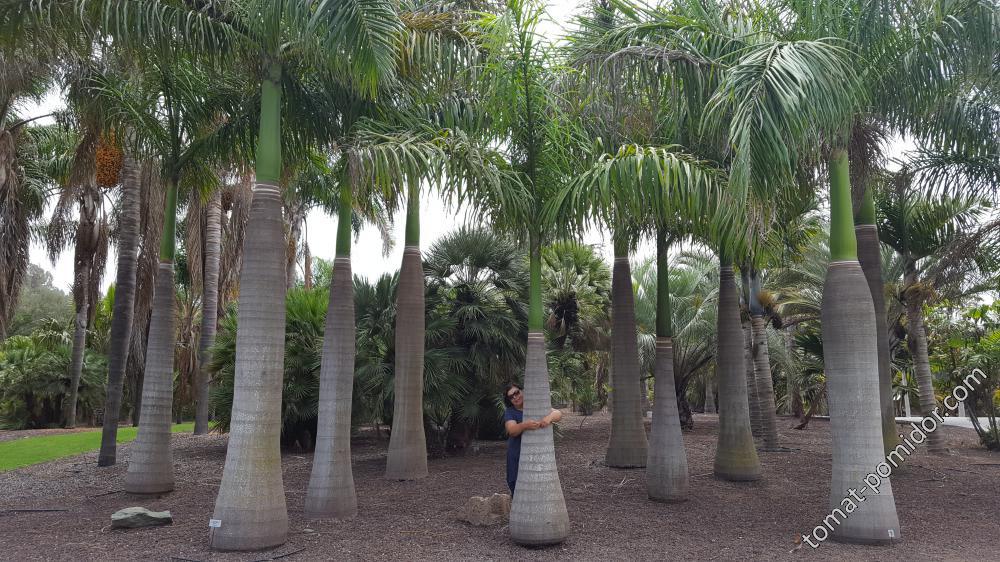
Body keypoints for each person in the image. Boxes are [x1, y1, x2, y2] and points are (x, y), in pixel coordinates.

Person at [502, 382, 562, 495]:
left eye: (516, 392)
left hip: (537, 455)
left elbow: (558, 414)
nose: (515, 397)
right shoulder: (510, 412)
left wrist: (549, 418)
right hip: (517, 454)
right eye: (511, 396)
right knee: (515, 485)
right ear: (509, 400)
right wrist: (525, 425)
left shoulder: (535, 406)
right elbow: (512, 430)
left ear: (522, 391)